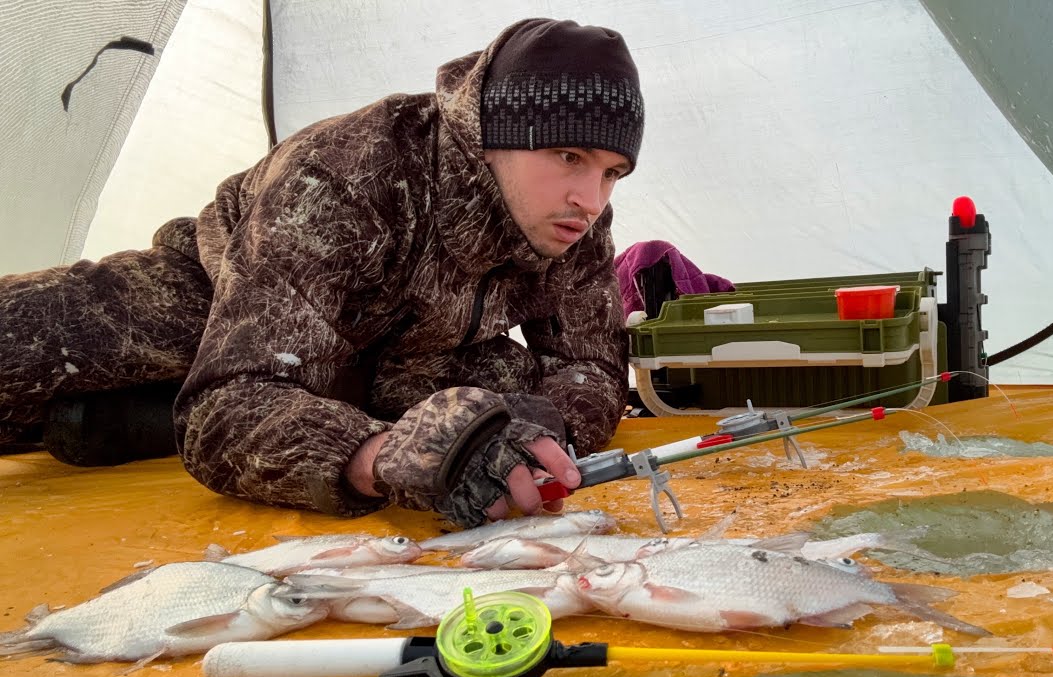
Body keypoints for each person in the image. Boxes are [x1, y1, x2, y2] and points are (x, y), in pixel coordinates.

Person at [0, 18, 644, 529]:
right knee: (19, 344)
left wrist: (530, 434)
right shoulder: (347, 172)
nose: (591, 199)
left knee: (500, 388)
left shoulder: (574, 219)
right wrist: (384, 457)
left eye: (611, 172)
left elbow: (592, 367)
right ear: (492, 136)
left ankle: (126, 420)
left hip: (404, 354)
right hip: (222, 298)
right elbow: (226, 408)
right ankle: (131, 410)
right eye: (568, 155)